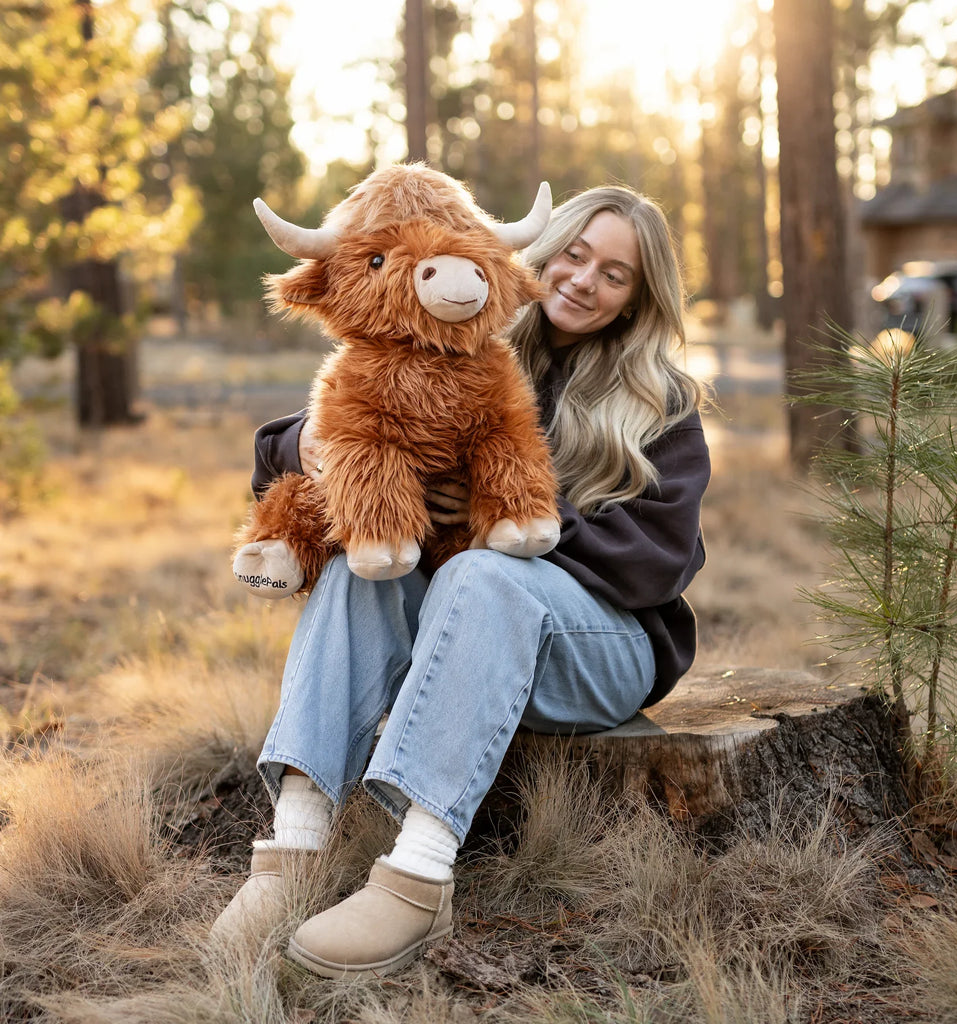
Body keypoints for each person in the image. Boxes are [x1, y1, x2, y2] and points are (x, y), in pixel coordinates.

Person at [211, 184, 711, 980]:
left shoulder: (662, 400)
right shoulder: (464, 335)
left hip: (603, 649)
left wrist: (503, 519)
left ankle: (417, 874)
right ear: (538, 256)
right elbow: (315, 427)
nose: (585, 281)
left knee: (485, 570)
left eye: (616, 275)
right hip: (476, 629)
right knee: (357, 571)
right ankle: (293, 851)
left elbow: (657, 560)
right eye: (574, 255)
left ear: (638, 299)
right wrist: (318, 443)